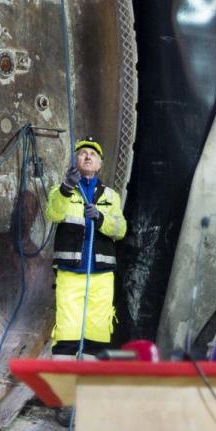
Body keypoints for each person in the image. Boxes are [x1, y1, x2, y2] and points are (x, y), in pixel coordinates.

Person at [45, 137, 127, 356]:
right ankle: (62, 383)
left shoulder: (111, 196)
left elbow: (121, 230)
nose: (88, 156)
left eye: (93, 154)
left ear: (99, 164)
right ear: (75, 161)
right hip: (71, 273)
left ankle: (90, 382)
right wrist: (66, 188)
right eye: (83, 153)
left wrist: (100, 218)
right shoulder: (61, 190)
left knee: (97, 332)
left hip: (101, 275)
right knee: (67, 332)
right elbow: (53, 213)